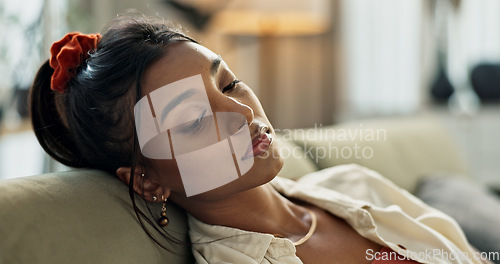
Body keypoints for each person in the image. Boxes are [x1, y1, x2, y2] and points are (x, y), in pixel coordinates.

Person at [30, 13, 488, 264]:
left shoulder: (355, 184)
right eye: (191, 119)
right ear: (146, 182)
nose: (242, 112)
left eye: (229, 84)